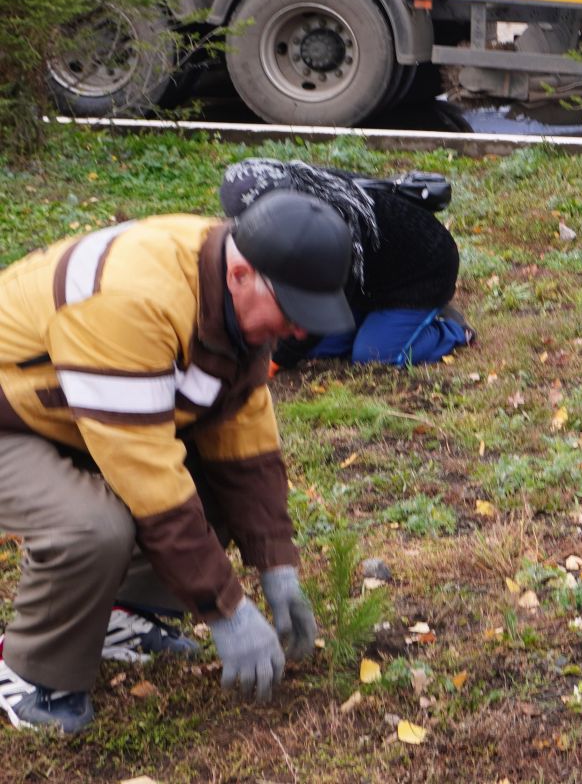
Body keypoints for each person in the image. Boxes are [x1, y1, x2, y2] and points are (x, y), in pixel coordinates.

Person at [0, 192, 354, 733]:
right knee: (92, 529)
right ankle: (29, 673)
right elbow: (150, 481)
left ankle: (124, 614)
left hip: (68, 412)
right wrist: (227, 610)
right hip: (12, 419)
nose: (300, 332)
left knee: (212, 487)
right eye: (293, 311)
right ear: (240, 273)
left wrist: (277, 566)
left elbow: (244, 445)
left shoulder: (226, 290)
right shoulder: (131, 301)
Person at [219, 158, 472, 369]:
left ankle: (450, 328)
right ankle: (376, 322)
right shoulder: (297, 194)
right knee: (318, 346)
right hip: (372, 279)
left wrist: (278, 361)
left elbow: (329, 293)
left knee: (373, 355)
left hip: (422, 274)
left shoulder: (328, 224)